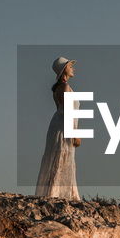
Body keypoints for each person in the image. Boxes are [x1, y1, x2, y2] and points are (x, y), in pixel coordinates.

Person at [35, 56, 81, 199]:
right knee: (62, 156)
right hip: (64, 125)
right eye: (70, 66)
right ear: (64, 70)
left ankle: (57, 192)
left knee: (60, 157)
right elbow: (68, 111)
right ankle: (58, 193)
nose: (73, 68)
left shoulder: (60, 88)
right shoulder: (65, 87)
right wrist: (74, 133)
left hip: (58, 123)